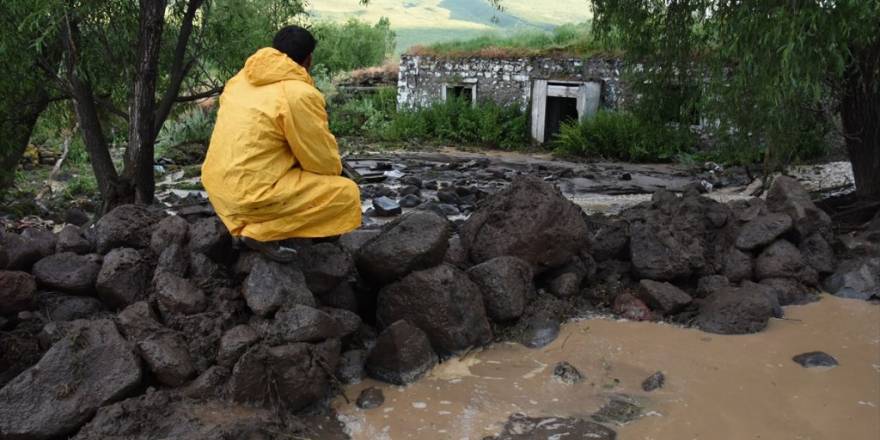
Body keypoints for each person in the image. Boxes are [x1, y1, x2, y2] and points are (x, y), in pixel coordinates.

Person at [202, 26, 361, 261]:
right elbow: (322, 161)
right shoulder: (299, 94)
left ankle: (244, 222)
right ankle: (258, 233)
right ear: (308, 60)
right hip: (250, 197)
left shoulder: (240, 79)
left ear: (275, 50)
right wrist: (337, 173)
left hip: (217, 187)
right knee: (346, 194)